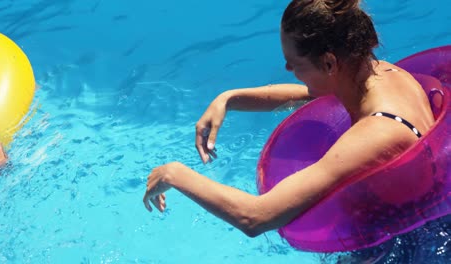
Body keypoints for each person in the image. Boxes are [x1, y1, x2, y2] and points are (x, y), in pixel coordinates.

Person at [143, 0, 435, 239]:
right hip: (409, 209)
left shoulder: (378, 133)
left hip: (408, 241)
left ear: (330, 62)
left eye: (294, 64)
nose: (286, 68)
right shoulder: (382, 73)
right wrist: (229, 99)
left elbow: (255, 217)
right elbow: (311, 92)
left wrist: (174, 175)